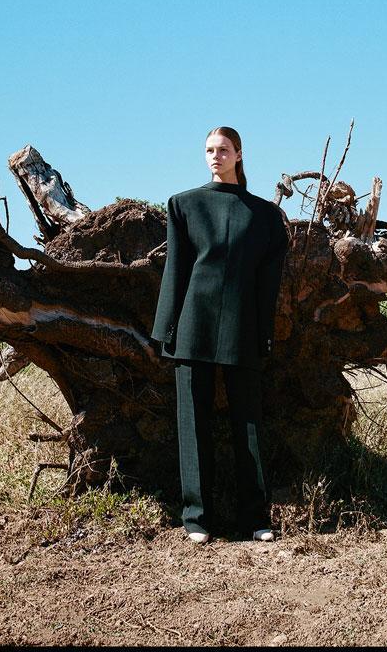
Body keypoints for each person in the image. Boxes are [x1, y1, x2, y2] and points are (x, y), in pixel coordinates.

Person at [150, 127, 289, 545]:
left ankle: (256, 519)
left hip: (243, 329)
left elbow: (269, 285)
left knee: (248, 424)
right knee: (193, 426)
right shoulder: (183, 205)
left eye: (223, 150)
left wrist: (265, 333)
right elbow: (175, 271)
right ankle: (196, 518)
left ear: (239, 154)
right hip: (193, 327)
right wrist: (166, 330)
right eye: (209, 150)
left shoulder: (265, 215)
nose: (215, 156)